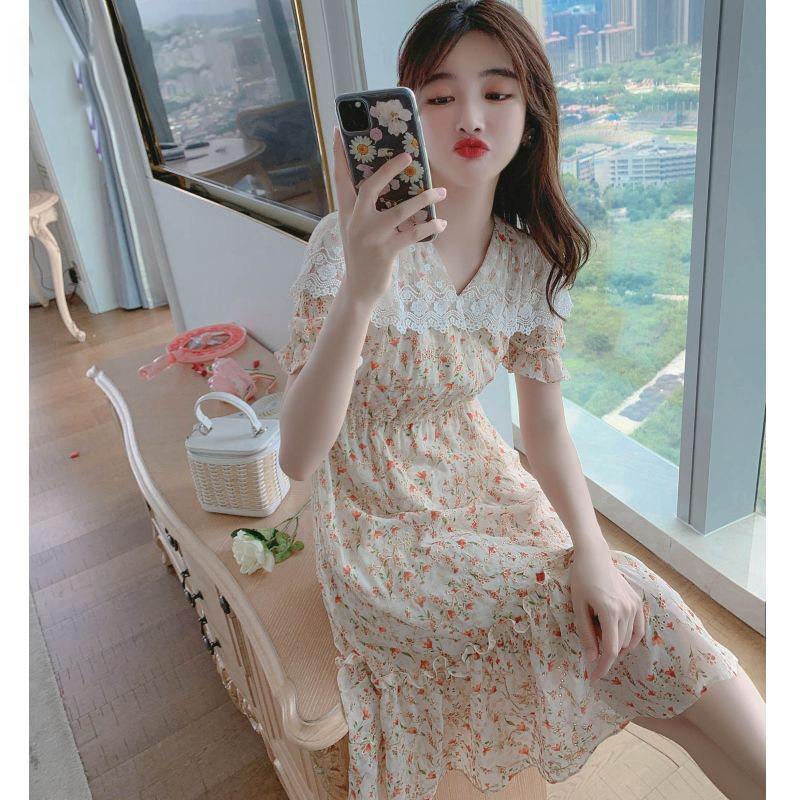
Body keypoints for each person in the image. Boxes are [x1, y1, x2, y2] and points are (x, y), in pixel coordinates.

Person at [276, 2, 766, 798]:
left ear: (531, 112)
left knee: (630, 624)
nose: (470, 116)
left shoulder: (528, 261)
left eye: (497, 92)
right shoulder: (345, 247)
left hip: (480, 482)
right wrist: (362, 290)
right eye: (440, 97)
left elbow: (544, 429)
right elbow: (299, 455)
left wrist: (591, 550)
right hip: (376, 523)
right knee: (619, 617)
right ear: (407, 118)